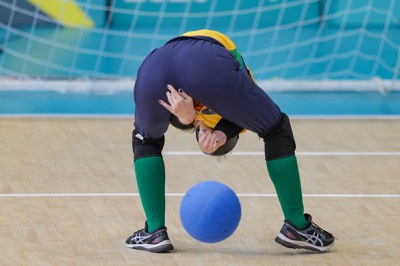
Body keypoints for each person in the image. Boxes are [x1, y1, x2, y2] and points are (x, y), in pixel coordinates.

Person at [125, 29, 334, 253]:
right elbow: (221, 105)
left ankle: (155, 232)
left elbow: (180, 113)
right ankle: (297, 225)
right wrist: (194, 119)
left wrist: (190, 119)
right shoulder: (221, 104)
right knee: (277, 129)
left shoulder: (202, 117)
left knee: (145, 139)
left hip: (155, 63)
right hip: (202, 58)